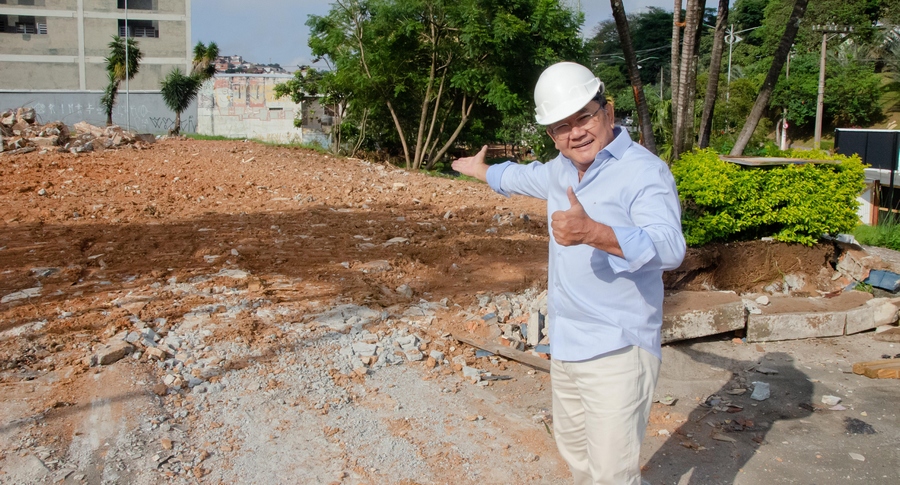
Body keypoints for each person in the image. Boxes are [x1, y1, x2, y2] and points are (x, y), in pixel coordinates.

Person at [452, 61, 686, 485]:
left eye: (584, 117)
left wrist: (595, 232)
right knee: (579, 462)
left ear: (608, 112)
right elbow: (524, 177)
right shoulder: (561, 169)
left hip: (618, 347)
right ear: (550, 135)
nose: (575, 132)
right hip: (567, 344)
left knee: (613, 475)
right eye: (561, 125)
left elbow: (670, 246)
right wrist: (481, 170)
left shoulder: (643, 171)